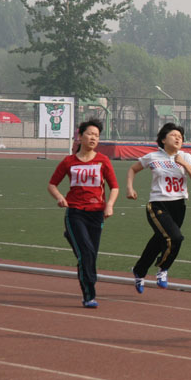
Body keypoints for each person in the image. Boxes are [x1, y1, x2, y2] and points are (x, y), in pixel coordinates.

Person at [48, 119, 119, 308]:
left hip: (96, 214)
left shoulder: (103, 160)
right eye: (90, 134)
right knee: (86, 253)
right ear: (80, 136)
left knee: (90, 254)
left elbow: (114, 187)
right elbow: (52, 184)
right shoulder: (69, 161)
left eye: (97, 135)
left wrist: (110, 205)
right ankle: (89, 295)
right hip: (75, 213)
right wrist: (59, 197)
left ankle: (72, 239)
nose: (93, 138)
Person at [126, 123, 191, 293]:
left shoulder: (186, 157)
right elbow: (132, 169)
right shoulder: (153, 157)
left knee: (158, 240)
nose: (178, 138)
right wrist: (130, 188)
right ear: (163, 139)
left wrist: (184, 163)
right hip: (158, 204)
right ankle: (163, 268)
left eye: (180, 137)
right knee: (176, 238)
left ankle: (139, 270)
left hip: (179, 205)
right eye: (174, 135)